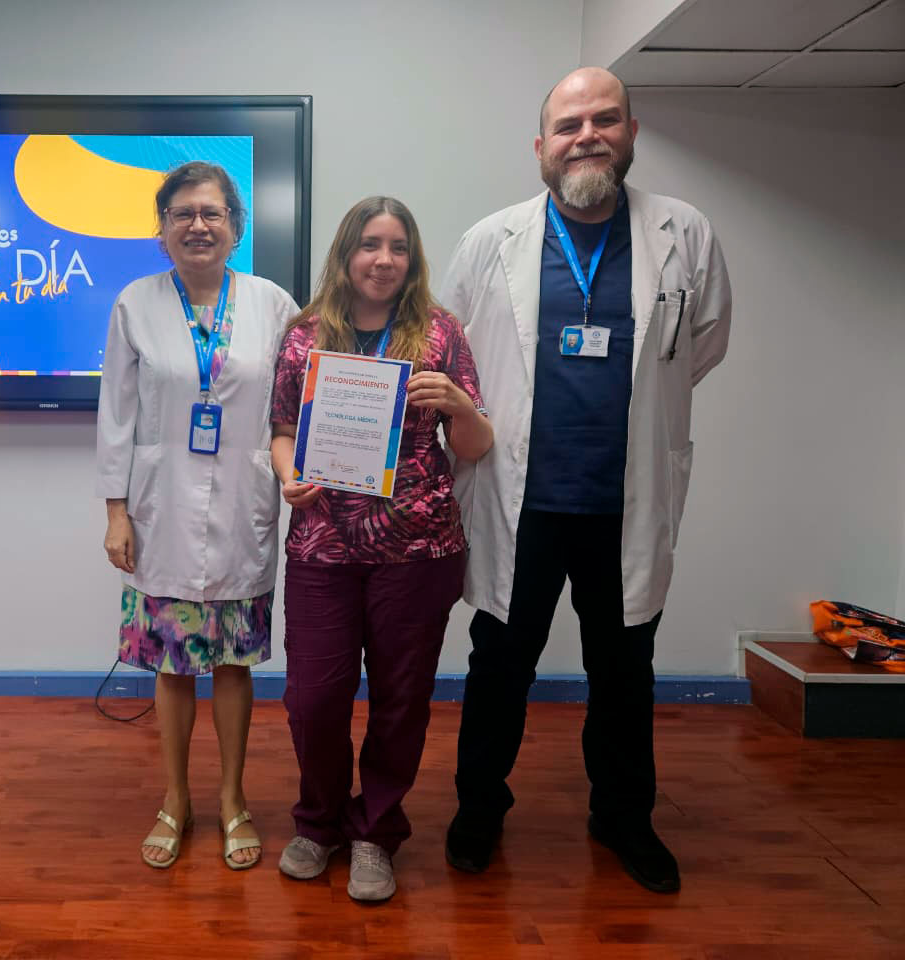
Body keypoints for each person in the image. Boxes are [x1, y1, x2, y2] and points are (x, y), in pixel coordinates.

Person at [439, 67, 732, 893]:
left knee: (625, 669)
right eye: (569, 125)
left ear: (631, 133)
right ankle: (480, 807)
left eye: (605, 120)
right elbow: (452, 351)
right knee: (500, 664)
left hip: (624, 499)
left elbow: (702, 343)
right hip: (520, 499)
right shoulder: (491, 240)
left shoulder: (683, 232)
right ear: (542, 146)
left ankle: (624, 816)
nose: (587, 137)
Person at [270, 196, 493, 902]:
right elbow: (282, 429)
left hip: (419, 552)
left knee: (401, 701)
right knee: (313, 699)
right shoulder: (305, 337)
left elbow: (476, 446)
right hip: (322, 548)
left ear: (412, 258)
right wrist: (288, 475)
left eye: (398, 246)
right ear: (346, 253)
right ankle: (319, 822)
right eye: (370, 244)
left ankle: (375, 831)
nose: (384, 259)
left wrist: (459, 404)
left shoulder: (441, 335)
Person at [95, 161, 299, 870]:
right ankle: (175, 799)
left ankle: (233, 799)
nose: (197, 225)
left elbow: (296, 405)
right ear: (162, 230)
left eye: (212, 212)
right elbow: (116, 417)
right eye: (182, 213)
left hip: (243, 506)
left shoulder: (274, 305)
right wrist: (117, 513)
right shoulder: (136, 304)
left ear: (236, 227)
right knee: (173, 663)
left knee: (235, 663)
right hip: (163, 508)